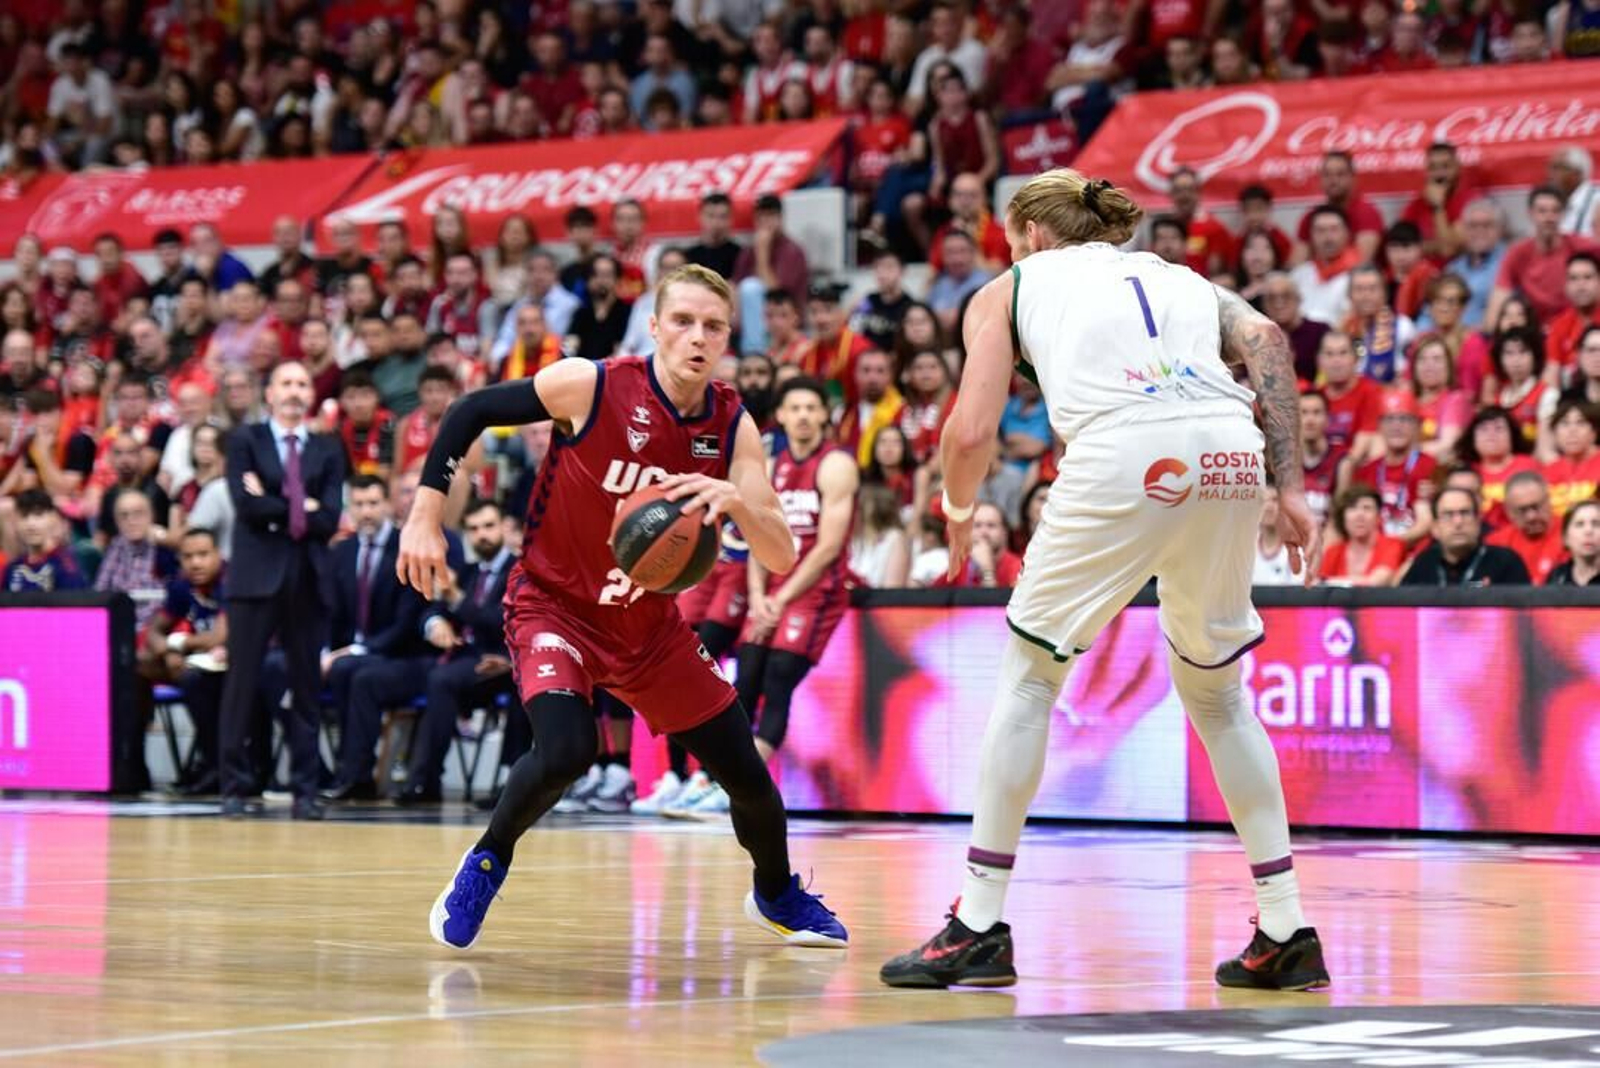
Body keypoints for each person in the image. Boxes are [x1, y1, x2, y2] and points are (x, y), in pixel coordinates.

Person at [881, 169, 1327, 991]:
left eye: (1010, 239)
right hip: (1231, 450)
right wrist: (1291, 485)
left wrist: (953, 505)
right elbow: (1266, 341)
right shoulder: (1180, 276)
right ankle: (1287, 928)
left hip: (1128, 447)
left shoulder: (1010, 286)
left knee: (1028, 680)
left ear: (1030, 232)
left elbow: (972, 427)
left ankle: (978, 924)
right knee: (1221, 696)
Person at [395, 264, 847, 951]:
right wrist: (425, 515)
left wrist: (737, 503)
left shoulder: (731, 423)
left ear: (728, 337)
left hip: (648, 628)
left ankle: (777, 892)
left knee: (748, 778)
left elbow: (781, 552)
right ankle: (487, 859)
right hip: (554, 606)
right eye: (685, 322)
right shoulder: (595, 383)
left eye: (714, 326)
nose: (699, 337)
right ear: (657, 326)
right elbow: (471, 411)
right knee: (568, 749)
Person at [674, 377, 860, 817]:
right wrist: (759, 595)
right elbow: (758, 531)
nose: (802, 416)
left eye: (811, 408)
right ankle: (714, 779)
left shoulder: (835, 465)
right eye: (794, 408)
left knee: (778, 681)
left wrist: (781, 597)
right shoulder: (772, 462)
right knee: (744, 681)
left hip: (816, 591)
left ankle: (740, 789)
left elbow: (829, 546)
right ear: (780, 416)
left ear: (824, 416)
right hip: (771, 587)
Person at [218, 361, 346, 821]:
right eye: (286, 383)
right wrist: (298, 507)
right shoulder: (245, 439)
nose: (294, 391)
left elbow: (330, 517)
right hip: (255, 579)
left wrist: (275, 502)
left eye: (302, 384)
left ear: (311, 394)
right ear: (268, 393)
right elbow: (244, 506)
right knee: (241, 684)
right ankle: (233, 786)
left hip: (308, 578)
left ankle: (305, 790)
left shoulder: (328, 449)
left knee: (306, 687)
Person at [1400, 486, 1531, 586]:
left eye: (1465, 513)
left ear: (1478, 521)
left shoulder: (1505, 562)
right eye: (1448, 515)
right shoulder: (1424, 563)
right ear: (1435, 528)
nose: (1458, 522)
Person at [1486, 471, 1568, 583]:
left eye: (1536, 507)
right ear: (1509, 511)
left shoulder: (1572, 533)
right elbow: (1473, 585)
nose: (1531, 517)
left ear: (1549, 500)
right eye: (1522, 510)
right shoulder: (1495, 544)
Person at [1318, 484, 1404, 586]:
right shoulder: (1333, 552)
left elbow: (1377, 582)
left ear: (1378, 517)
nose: (1359, 515)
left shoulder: (1392, 544)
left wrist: (1331, 582)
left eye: (1367, 508)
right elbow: (1320, 587)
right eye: (1352, 508)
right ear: (1343, 517)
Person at [3, 489, 87, 592]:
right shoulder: (12, 568)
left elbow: (76, 605)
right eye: (24, 516)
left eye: (38, 515)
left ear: (52, 518)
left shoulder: (66, 565)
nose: (31, 524)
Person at [1546, 499, 1600, 586]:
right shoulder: (1557, 577)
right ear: (1566, 538)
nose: (1589, 531)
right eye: (1579, 524)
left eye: (1596, 524)